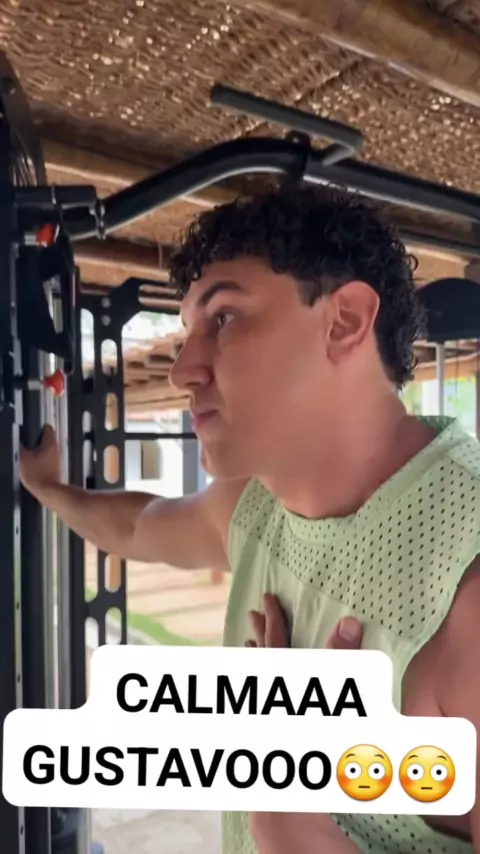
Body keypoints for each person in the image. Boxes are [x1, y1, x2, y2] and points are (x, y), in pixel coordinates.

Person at [20, 184, 480, 854]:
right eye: (189, 331)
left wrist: (288, 820)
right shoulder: (256, 505)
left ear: (345, 321)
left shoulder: (465, 578)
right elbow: (137, 526)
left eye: (225, 317)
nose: (182, 369)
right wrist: (48, 488)